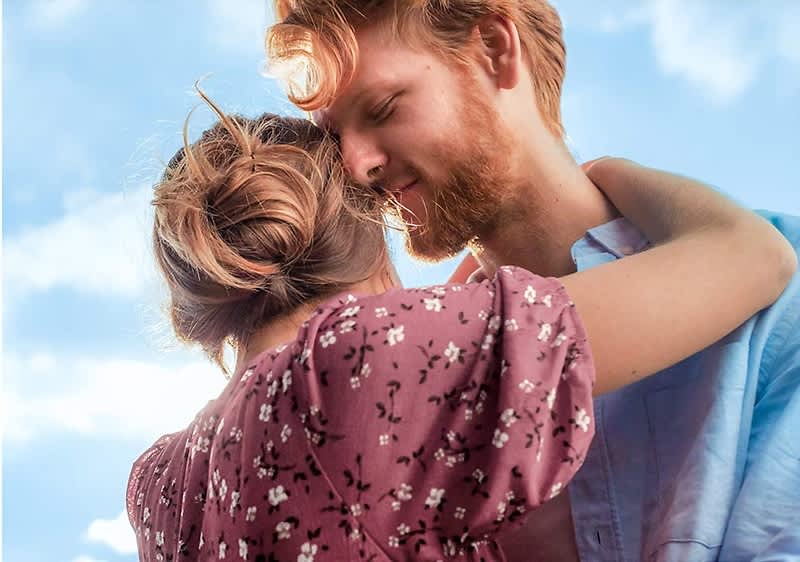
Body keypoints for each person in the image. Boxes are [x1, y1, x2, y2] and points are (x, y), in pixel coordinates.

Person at [126, 88, 794, 561]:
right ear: (364, 231)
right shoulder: (356, 359)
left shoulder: (158, 485)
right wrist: (609, 172)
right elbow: (751, 257)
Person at [266, 1, 800, 560]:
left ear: (495, 50)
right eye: (336, 138)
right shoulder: (421, 377)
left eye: (382, 108)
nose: (356, 165)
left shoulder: (775, 296)